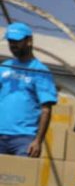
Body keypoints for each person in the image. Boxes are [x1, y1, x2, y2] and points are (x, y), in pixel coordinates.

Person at [0, 22, 57, 157]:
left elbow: (46, 109)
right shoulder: (4, 67)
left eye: (17, 41)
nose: (13, 45)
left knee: (20, 177)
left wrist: (38, 141)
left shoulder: (40, 71)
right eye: (10, 41)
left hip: (24, 138)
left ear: (29, 41)